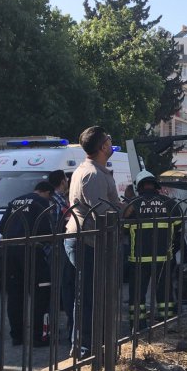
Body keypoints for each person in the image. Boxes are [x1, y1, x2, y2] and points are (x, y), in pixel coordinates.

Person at [66, 126, 122, 357]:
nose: (111, 143)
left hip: (93, 240)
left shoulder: (97, 170)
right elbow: (103, 211)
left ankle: (94, 342)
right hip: (87, 241)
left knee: (95, 293)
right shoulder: (93, 174)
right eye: (109, 140)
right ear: (102, 147)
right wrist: (125, 211)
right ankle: (83, 345)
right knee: (87, 295)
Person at [0, 181, 54, 347]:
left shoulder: (15, 201)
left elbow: (2, 227)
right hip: (32, 251)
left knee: (15, 295)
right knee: (42, 293)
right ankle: (40, 336)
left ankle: (17, 336)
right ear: (47, 193)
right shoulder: (42, 202)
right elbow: (46, 229)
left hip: (10, 251)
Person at [124, 170, 181, 329]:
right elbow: (178, 228)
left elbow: (124, 228)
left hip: (139, 259)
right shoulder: (170, 203)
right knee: (165, 294)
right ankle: (166, 325)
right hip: (163, 257)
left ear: (139, 187)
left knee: (137, 295)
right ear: (156, 186)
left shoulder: (133, 205)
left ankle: (138, 326)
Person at [49, 169, 74, 343]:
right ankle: (69, 326)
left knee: (59, 287)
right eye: (66, 179)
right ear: (62, 182)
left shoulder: (54, 199)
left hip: (56, 249)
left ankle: (56, 326)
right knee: (66, 286)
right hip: (61, 248)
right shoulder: (58, 202)